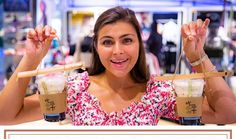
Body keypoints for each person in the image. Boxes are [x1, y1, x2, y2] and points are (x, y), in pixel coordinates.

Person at [0, 6, 236, 125]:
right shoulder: (72, 91)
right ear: (96, 46)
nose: (118, 51)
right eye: (107, 42)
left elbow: (227, 112)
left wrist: (198, 56)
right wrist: (31, 58)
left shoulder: (158, 93)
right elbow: (5, 115)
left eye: (127, 40)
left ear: (139, 44)